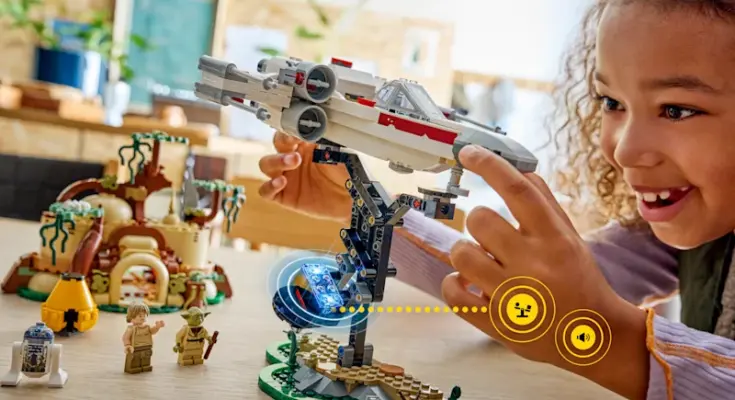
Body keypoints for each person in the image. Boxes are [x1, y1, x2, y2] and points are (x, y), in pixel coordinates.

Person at [256, 1, 735, 399]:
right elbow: (525, 292)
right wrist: (364, 208)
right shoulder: (677, 234)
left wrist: (605, 339)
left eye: (678, 110)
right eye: (611, 103)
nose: (623, 150)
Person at [122, 302, 165, 374]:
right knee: (135, 359)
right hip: (135, 348)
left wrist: (157, 327)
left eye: (144, 315)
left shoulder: (147, 327)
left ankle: (145, 366)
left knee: (146, 358)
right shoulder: (131, 329)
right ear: (131, 317)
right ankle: (133, 368)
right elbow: (125, 337)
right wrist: (128, 345)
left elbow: (152, 331)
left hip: (147, 346)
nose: (143, 317)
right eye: (140, 316)